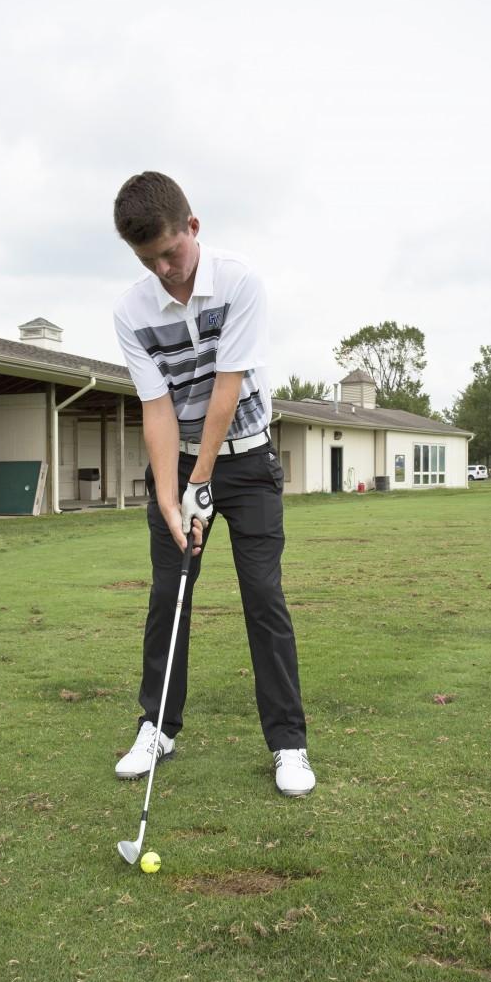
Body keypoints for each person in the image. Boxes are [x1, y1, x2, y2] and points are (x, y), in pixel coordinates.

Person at [111, 171, 315, 796]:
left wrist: (201, 480)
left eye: (172, 253)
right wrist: (171, 500)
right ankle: (158, 727)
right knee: (168, 596)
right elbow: (157, 410)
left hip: (248, 463)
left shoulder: (241, 282)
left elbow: (228, 385)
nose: (166, 270)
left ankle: (288, 744)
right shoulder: (131, 311)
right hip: (181, 463)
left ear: (193, 227)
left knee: (263, 597)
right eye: (150, 262)